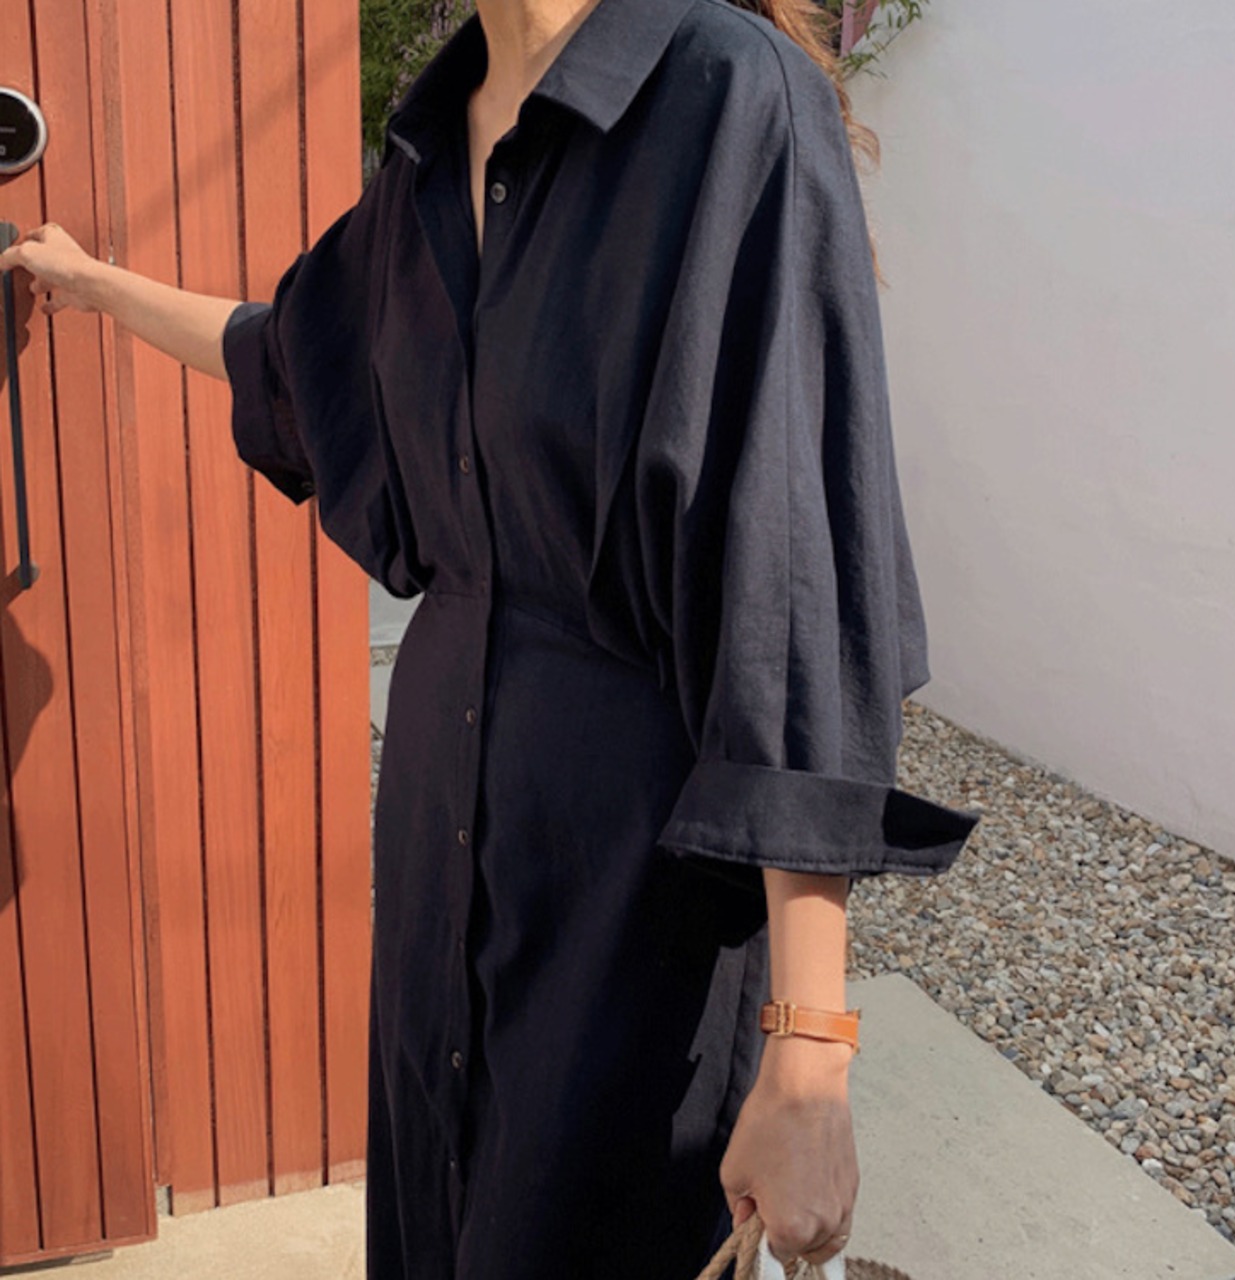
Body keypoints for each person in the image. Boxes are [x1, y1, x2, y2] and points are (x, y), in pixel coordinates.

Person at [0, 0, 979, 1275]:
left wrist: (807, 1055)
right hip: (438, 847)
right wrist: (88, 283)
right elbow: (288, 357)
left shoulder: (726, 94)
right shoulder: (425, 155)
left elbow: (787, 582)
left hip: (632, 881)